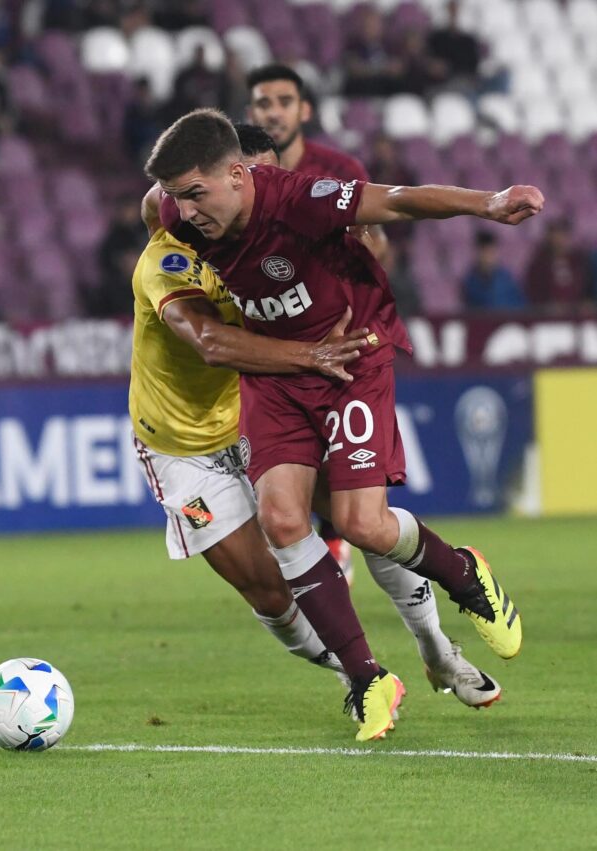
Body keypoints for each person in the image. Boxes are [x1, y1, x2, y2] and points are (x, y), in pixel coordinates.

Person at [145, 109, 539, 737]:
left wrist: (488, 203)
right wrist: (171, 198)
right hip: (277, 373)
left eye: (196, 194)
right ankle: (366, 677)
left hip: (351, 358)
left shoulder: (299, 200)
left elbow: (400, 201)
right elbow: (155, 209)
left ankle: (465, 576)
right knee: (281, 520)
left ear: (239, 175)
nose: (186, 212)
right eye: (177, 197)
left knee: (362, 524)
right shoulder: (178, 212)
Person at [247, 63, 387, 580]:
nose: (273, 111)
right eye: (263, 103)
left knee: (345, 470)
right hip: (278, 342)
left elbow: (377, 241)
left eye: (283, 101)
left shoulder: (337, 167)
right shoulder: (237, 179)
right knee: (289, 458)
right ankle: (329, 547)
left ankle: (361, 545)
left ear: (303, 110)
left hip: (343, 338)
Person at [524, 218, 590, 314]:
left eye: (563, 233)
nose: (560, 238)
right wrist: (547, 307)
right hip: (548, 317)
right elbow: (534, 294)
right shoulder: (538, 265)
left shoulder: (579, 261)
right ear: (549, 236)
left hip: (576, 314)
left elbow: (587, 289)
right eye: (556, 234)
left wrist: (585, 303)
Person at [463, 231, 525, 311]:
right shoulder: (471, 281)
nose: (489, 256)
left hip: (508, 320)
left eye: (492, 252)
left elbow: (521, 303)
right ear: (478, 252)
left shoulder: (508, 278)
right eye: (485, 252)